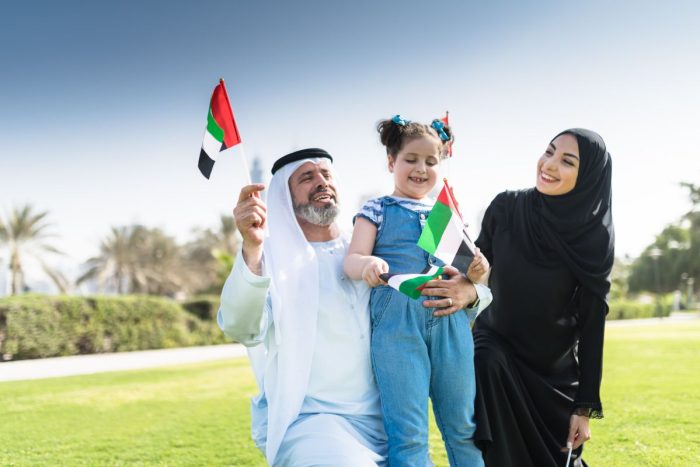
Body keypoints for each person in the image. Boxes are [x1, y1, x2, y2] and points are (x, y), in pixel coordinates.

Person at [217, 147, 485, 466]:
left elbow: (438, 292)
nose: (321, 182)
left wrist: (471, 292)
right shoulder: (270, 259)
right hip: (315, 425)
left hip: (391, 423)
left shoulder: (367, 247)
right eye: (306, 177)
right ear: (284, 197)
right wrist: (251, 247)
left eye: (326, 175)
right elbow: (241, 327)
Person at [344, 115, 492, 466]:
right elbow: (351, 259)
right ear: (392, 162)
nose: (421, 169)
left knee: (463, 429)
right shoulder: (377, 209)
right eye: (411, 159)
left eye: (431, 161)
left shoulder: (449, 216)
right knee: (408, 435)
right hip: (397, 326)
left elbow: (472, 277)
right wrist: (366, 264)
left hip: (450, 323)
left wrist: (478, 273)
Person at [472, 129, 614, 466]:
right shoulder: (506, 207)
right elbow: (469, 268)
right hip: (497, 349)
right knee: (486, 358)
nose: (549, 165)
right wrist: (467, 271)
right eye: (549, 152)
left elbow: (593, 323)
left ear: (588, 176)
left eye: (567, 161)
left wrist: (584, 407)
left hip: (554, 376)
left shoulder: (594, 238)